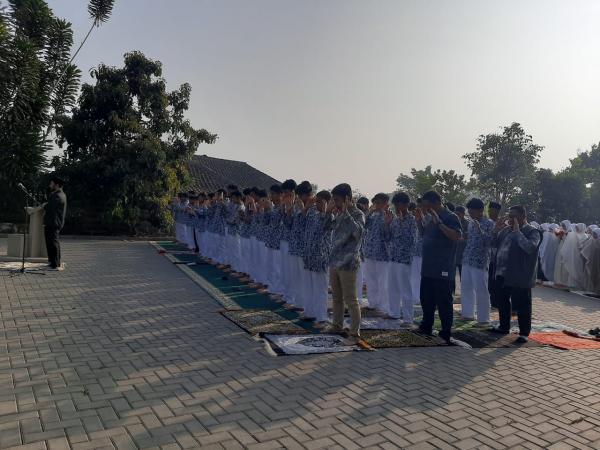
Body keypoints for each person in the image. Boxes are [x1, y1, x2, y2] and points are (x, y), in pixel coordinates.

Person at [490, 205, 540, 343]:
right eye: (509, 215)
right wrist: (495, 231)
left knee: (523, 304)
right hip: (502, 272)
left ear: (523, 217)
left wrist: (518, 232)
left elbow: (529, 248)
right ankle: (503, 326)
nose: (510, 219)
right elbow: (492, 245)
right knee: (502, 301)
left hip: (520, 274)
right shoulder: (505, 230)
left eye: (514, 216)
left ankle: (524, 332)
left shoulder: (532, 232)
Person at [417, 191, 462, 343]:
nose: (424, 208)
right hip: (428, 266)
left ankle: (445, 331)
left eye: (426, 205)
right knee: (426, 298)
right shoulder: (430, 216)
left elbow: (456, 236)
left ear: (436, 202)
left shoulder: (451, 217)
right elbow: (425, 235)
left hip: (443, 266)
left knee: (444, 301)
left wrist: (440, 224)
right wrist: (419, 221)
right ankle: (426, 325)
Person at [325, 183, 365, 343]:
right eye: (334, 200)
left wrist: (347, 212)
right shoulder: (338, 213)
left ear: (348, 199)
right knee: (336, 298)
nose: (335, 203)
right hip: (335, 261)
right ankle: (337, 325)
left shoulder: (358, 214)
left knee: (351, 299)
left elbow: (357, 233)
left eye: (337, 199)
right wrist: (328, 214)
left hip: (348, 263)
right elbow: (325, 228)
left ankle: (355, 331)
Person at [460, 198, 494, 324]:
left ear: (481, 210)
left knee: (481, 290)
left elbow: (490, 242)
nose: (470, 214)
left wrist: (481, 231)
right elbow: (470, 239)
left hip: (480, 261)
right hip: (468, 258)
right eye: (469, 212)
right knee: (466, 287)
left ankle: (483, 317)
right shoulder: (471, 223)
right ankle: (468, 313)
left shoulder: (489, 224)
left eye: (472, 212)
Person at [385, 192, 417, 324]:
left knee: (405, 288)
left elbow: (410, 239)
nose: (397, 208)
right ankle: (394, 313)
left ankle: (408, 317)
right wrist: (387, 224)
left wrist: (402, 221)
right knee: (392, 286)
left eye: (399, 204)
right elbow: (388, 238)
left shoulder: (413, 220)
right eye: (395, 205)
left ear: (406, 205)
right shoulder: (395, 220)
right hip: (393, 257)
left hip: (404, 258)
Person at [302, 190, 333, 322]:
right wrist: (307, 206)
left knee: (320, 288)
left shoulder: (330, 216)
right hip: (309, 255)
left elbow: (325, 227)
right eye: (317, 201)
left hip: (321, 257)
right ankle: (310, 312)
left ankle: (321, 317)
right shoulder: (312, 213)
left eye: (320, 202)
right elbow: (300, 222)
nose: (317, 204)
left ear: (327, 202)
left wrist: (326, 211)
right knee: (309, 286)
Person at [363, 193, 391, 312]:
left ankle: (383, 305)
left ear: (386, 204)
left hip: (382, 253)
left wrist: (386, 223)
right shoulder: (372, 216)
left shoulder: (389, 216)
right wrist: (369, 212)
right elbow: (364, 225)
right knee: (371, 279)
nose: (376, 205)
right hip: (369, 251)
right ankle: (372, 302)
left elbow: (388, 236)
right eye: (375, 203)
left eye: (379, 203)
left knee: (382, 281)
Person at [43, 175, 68, 270]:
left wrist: (45, 205)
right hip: (51, 222)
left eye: (51, 183)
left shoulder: (58, 195)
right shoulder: (57, 194)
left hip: (54, 223)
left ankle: (56, 263)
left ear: (56, 185)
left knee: (53, 243)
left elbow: (50, 207)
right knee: (50, 243)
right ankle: (52, 262)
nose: (50, 185)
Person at [487, 201, 502, 307]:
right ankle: (491, 301)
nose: (490, 212)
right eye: (489, 210)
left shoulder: (501, 224)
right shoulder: (486, 222)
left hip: (498, 257)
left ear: (497, 211)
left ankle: (496, 302)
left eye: (492, 210)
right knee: (489, 281)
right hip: (487, 257)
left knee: (496, 281)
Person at [455, 205, 469, 280]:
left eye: (458, 213)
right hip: (454, 253)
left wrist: (462, 239)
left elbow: (469, 238)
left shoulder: (467, 223)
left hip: (463, 254)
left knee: (462, 277)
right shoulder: (453, 221)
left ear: (463, 214)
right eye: (455, 213)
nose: (457, 215)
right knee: (451, 278)